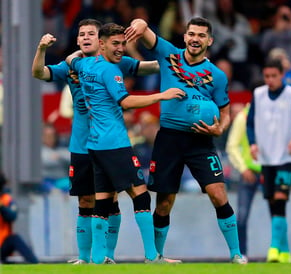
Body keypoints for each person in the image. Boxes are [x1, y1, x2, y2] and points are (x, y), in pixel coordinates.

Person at [32, 19, 161, 264]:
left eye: (91, 33)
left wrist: (181, 61)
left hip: (109, 142)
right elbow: (39, 73)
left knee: (110, 199)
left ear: (99, 40)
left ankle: (107, 257)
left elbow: (149, 68)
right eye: (82, 34)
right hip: (81, 145)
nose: (86, 37)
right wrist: (41, 49)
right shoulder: (70, 66)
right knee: (86, 200)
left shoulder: (115, 60)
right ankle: (85, 258)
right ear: (78, 40)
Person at [124, 17, 247, 264]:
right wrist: (140, 23)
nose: (195, 39)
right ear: (185, 36)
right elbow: (146, 32)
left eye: (201, 35)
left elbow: (224, 110)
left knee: (218, 194)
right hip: (169, 139)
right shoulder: (169, 55)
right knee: (165, 202)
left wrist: (219, 129)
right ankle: (156, 257)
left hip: (201, 141)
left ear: (209, 41)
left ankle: (236, 254)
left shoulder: (217, 76)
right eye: (191, 34)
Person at [246, 59, 291, 263]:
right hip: (266, 157)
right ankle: (285, 251)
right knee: (273, 203)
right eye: (267, 76)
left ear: (282, 75)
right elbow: (250, 124)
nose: (270, 80)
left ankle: (273, 248)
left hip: (286, 156)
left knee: (281, 197)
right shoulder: (258, 95)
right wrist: (253, 144)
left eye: (274, 76)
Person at [225, 103, 261, 258]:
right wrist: (243, 168)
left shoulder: (275, 112)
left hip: (270, 170)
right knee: (242, 215)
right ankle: (242, 254)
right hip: (250, 171)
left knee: (278, 213)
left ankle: (279, 251)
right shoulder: (243, 117)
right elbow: (232, 146)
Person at [0, 172, 39, 264]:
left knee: (14, 239)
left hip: (2, 242)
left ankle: (35, 263)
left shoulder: (6, 199)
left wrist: (1, 207)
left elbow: (12, 217)